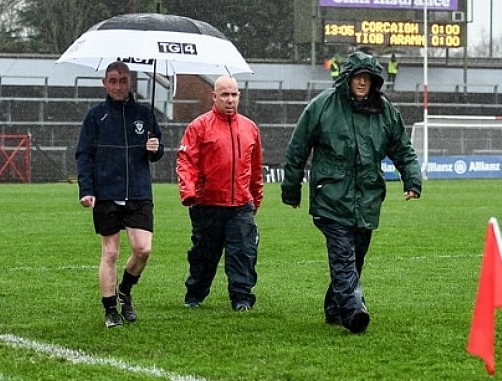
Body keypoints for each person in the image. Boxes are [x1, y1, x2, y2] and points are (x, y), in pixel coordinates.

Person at [281, 51, 422, 334]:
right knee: (343, 256)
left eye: (367, 78)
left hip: (367, 198)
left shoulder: (386, 112)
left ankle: (334, 307)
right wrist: (291, 190)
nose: (361, 82)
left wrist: (412, 181)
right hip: (330, 198)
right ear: (347, 78)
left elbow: (403, 150)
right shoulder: (322, 106)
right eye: (357, 77)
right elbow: (298, 149)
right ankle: (354, 310)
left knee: (355, 257)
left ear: (374, 81)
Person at [75, 61, 164, 329]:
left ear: (130, 82)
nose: (117, 85)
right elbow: (84, 155)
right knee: (110, 252)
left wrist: (154, 147)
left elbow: (157, 152)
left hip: (138, 190)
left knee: (143, 249)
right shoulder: (95, 116)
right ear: (105, 83)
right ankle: (110, 308)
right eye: (112, 80)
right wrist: (87, 189)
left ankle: (125, 290)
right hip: (106, 192)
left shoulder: (144, 113)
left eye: (122, 80)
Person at [176, 76, 264, 312]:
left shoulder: (250, 128)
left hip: (241, 205)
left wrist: (255, 198)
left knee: (243, 253)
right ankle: (195, 292)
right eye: (224, 95)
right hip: (207, 204)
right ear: (214, 96)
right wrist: (189, 192)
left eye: (234, 95)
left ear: (239, 97)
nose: (230, 100)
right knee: (204, 254)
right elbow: (186, 161)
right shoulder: (199, 127)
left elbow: (255, 168)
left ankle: (242, 298)